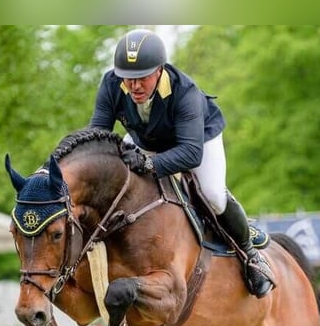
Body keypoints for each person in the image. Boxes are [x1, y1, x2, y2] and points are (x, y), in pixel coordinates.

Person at [88, 28, 274, 298]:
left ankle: (250, 253)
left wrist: (149, 165)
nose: (134, 86)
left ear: (159, 70)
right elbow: (98, 135)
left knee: (213, 195)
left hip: (197, 140)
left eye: (141, 78)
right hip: (146, 141)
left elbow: (189, 153)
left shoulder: (185, 91)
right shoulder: (111, 84)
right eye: (128, 79)